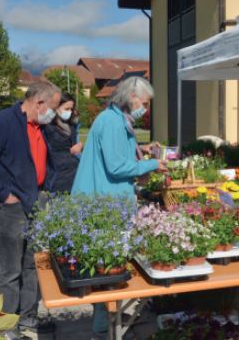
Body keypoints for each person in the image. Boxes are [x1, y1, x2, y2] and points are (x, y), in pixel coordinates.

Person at [70, 76, 167, 338]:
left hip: (105, 196)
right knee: (108, 265)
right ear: (131, 97)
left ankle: (106, 318)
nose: (145, 109)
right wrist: (151, 165)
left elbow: (117, 155)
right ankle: (104, 326)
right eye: (144, 103)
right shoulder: (112, 122)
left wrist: (140, 149)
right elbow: (116, 167)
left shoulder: (114, 118)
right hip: (103, 200)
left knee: (107, 263)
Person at [0, 81, 61, 340]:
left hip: (37, 201)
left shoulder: (41, 126)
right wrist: (4, 195)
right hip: (12, 207)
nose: (53, 114)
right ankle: (6, 325)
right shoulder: (3, 122)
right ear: (39, 102)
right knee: (10, 269)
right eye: (52, 108)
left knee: (34, 264)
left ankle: (27, 317)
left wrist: (48, 189)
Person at [43, 93, 82, 193]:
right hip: (57, 179)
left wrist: (80, 148)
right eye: (66, 109)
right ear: (56, 108)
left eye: (71, 109)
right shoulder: (47, 127)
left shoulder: (73, 126)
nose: (69, 112)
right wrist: (71, 152)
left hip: (74, 176)